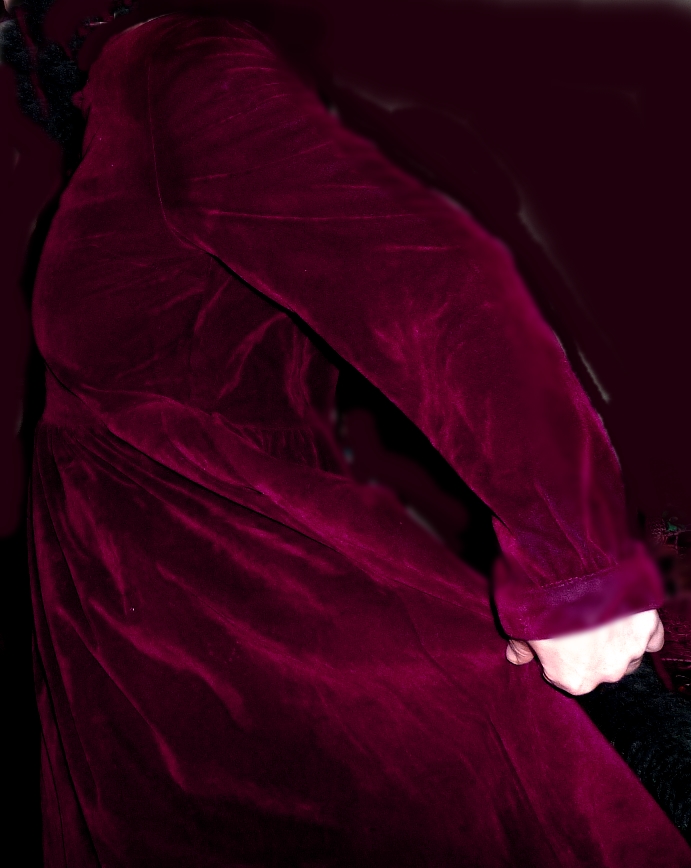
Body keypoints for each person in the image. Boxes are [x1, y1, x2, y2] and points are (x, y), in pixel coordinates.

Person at [3, 2, 689, 865]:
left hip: (268, 671)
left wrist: (581, 579)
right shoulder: (107, 102)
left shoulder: (176, 62)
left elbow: (432, 290)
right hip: (147, 679)